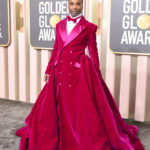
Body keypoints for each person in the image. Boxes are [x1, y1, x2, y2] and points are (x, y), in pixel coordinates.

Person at [16, 0, 145, 149]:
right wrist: (48, 69)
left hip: (78, 73)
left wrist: (96, 74)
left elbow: (93, 51)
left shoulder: (89, 27)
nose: (75, 7)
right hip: (59, 72)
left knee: (80, 110)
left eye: (78, 4)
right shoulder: (59, 26)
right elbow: (56, 49)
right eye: (72, 4)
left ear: (82, 5)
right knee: (54, 108)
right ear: (68, 5)